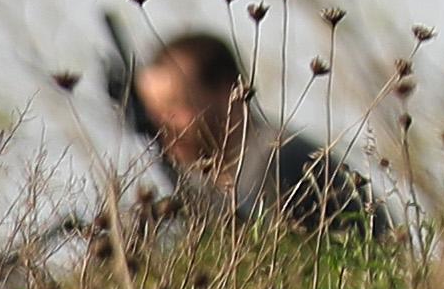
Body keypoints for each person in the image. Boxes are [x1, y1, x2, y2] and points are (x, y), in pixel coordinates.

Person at [119, 26, 384, 235]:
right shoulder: (203, 179)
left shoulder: (277, 160)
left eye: (177, 105)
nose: (163, 125)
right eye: (155, 113)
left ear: (229, 92)